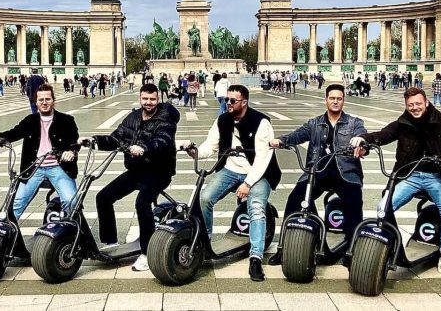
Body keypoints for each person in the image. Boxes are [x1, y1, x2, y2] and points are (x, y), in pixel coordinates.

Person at [351, 87, 441, 280]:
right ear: (406, 106)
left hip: (437, 176)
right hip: (410, 175)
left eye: (418, 104)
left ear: (427, 102)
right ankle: (391, 243)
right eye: (410, 105)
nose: (415, 108)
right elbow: (383, 135)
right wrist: (364, 139)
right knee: (383, 207)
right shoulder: (403, 122)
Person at [267, 84, 366, 266]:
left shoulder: (354, 123)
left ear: (343, 100)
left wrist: (361, 146)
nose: (335, 102)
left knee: (354, 202)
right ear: (326, 100)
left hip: (345, 172)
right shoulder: (314, 123)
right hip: (317, 171)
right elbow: (298, 135)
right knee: (295, 199)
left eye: (339, 98)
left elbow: (362, 137)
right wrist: (281, 140)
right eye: (332, 98)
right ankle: (284, 248)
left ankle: (353, 249)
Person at [191, 85, 279, 281]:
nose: (227, 103)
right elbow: (210, 145)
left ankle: (255, 256)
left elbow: (263, 159)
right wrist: (194, 151)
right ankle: (205, 244)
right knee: (204, 198)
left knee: (256, 207)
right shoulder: (223, 120)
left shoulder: (261, 122)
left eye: (232, 101)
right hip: (230, 170)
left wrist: (247, 184)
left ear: (244, 102)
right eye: (226, 100)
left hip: (258, 172)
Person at [91, 84, 179, 272]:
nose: (148, 103)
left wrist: (145, 148)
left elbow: (163, 140)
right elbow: (116, 138)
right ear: (140, 99)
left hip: (159, 171)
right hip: (136, 170)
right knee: (103, 197)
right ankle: (111, 242)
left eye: (152, 99)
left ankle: (147, 253)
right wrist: (94, 141)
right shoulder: (132, 117)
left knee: (141, 203)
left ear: (158, 99)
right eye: (145, 99)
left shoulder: (165, 119)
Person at [0, 84, 80, 219]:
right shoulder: (30, 121)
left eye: (47, 99)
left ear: (53, 100)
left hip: (59, 167)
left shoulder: (67, 120)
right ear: (35, 102)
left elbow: (74, 142)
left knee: (70, 201)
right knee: (15, 204)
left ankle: (68, 231)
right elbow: (13, 133)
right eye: (41, 100)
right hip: (33, 168)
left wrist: (71, 152)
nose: (44, 102)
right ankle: (8, 234)